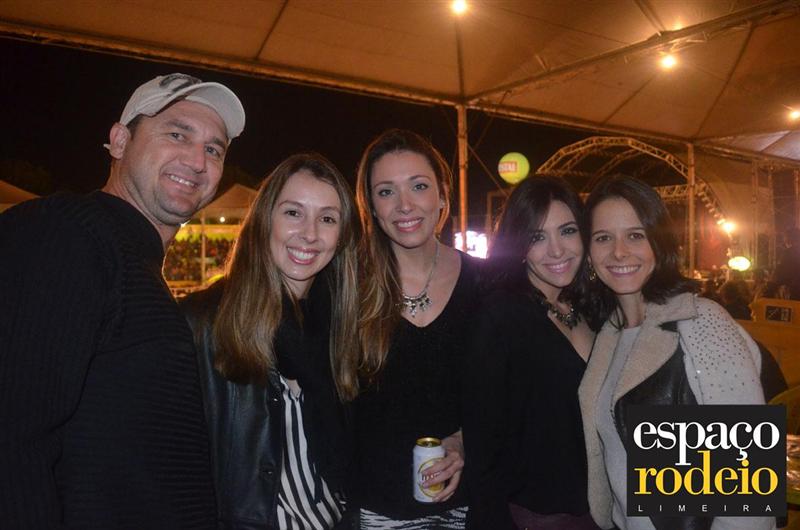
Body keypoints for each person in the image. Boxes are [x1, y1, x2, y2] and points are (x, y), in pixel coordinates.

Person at [0, 73, 245, 529]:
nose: (197, 160)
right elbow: (13, 436)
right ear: (119, 141)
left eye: (214, 149)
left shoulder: (127, 260)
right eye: (177, 134)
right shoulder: (67, 232)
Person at [578, 175, 773, 530]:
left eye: (635, 235)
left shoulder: (700, 322)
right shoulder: (608, 334)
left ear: (660, 242)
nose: (619, 252)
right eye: (603, 238)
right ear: (589, 252)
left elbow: (748, 493)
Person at [179, 153, 360, 529]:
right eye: (293, 213)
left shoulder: (340, 327)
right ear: (265, 220)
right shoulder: (204, 321)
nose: (310, 233)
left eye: (327, 219)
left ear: (342, 235)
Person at [352, 129, 482, 528]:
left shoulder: (487, 284)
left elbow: (511, 394)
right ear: (372, 206)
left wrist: (464, 440)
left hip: (473, 509)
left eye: (419, 186)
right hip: (374, 512)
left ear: (443, 195)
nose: (404, 205)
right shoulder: (346, 287)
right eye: (386, 191)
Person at [462, 176, 601, 530]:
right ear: (519, 244)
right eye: (538, 237)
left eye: (567, 231)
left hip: (605, 511)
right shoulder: (499, 317)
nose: (557, 250)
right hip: (535, 516)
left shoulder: (595, 310)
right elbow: (483, 449)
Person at [773, 227, 800, 299]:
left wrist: (772, 285)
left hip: (794, 289)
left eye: (785, 238)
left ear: (788, 239)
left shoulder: (789, 252)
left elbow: (781, 272)